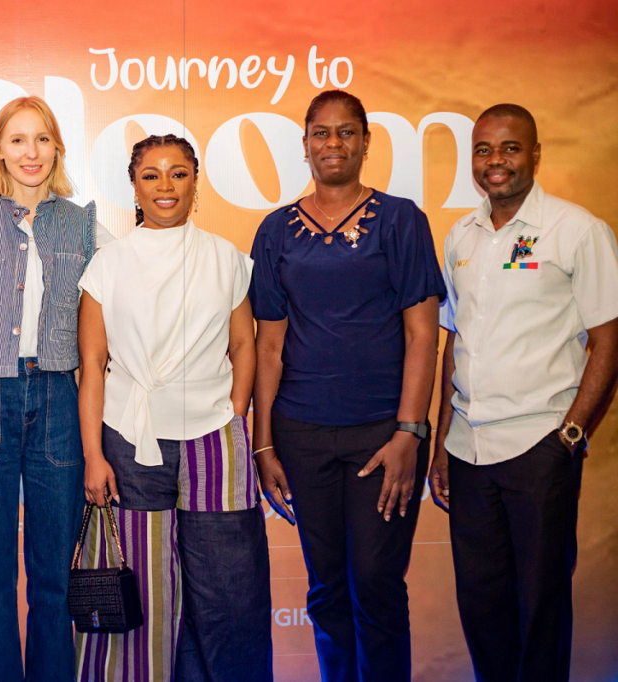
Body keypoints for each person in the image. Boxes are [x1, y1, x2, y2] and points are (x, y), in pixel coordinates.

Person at [249, 90, 446, 682]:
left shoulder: (401, 218)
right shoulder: (276, 230)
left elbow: (422, 334)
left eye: (346, 133)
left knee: (377, 587)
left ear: (365, 141)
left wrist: (410, 431)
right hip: (302, 435)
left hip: (383, 435)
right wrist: (263, 445)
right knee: (327, 588)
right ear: (305, 144)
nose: (333, 144)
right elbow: (269, 345)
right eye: (320, 133)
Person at [428, 104, 618, 682]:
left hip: (540, 446)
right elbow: (452, 344)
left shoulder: (576, 230)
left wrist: (572, 433)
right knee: (482, 605)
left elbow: (608, 339)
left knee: (540, 607)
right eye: (483, 150)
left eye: (509, 148)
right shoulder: (461, 233)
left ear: (535, 153)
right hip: (468, 451)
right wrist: (440, 443)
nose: (495, 162)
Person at [77, 133, 272, 681]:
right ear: (134, 187)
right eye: (152, 175)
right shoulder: (107, 264)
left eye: (178, 173)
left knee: (230, 584)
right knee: (143, 585)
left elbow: (243, 345)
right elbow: (92, 366)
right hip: (129, 439)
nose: (166, 186)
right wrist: (94, 455)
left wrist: (233, 414)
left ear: (195, 182)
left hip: (215, 435)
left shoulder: (225, 258)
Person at [0, 96, 98, 682]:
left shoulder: (81, 224)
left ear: (57, 148)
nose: (31, 152)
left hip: (57, 398)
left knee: (54, 577)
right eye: (18, 139)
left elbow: (95, 337)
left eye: (43, 139)